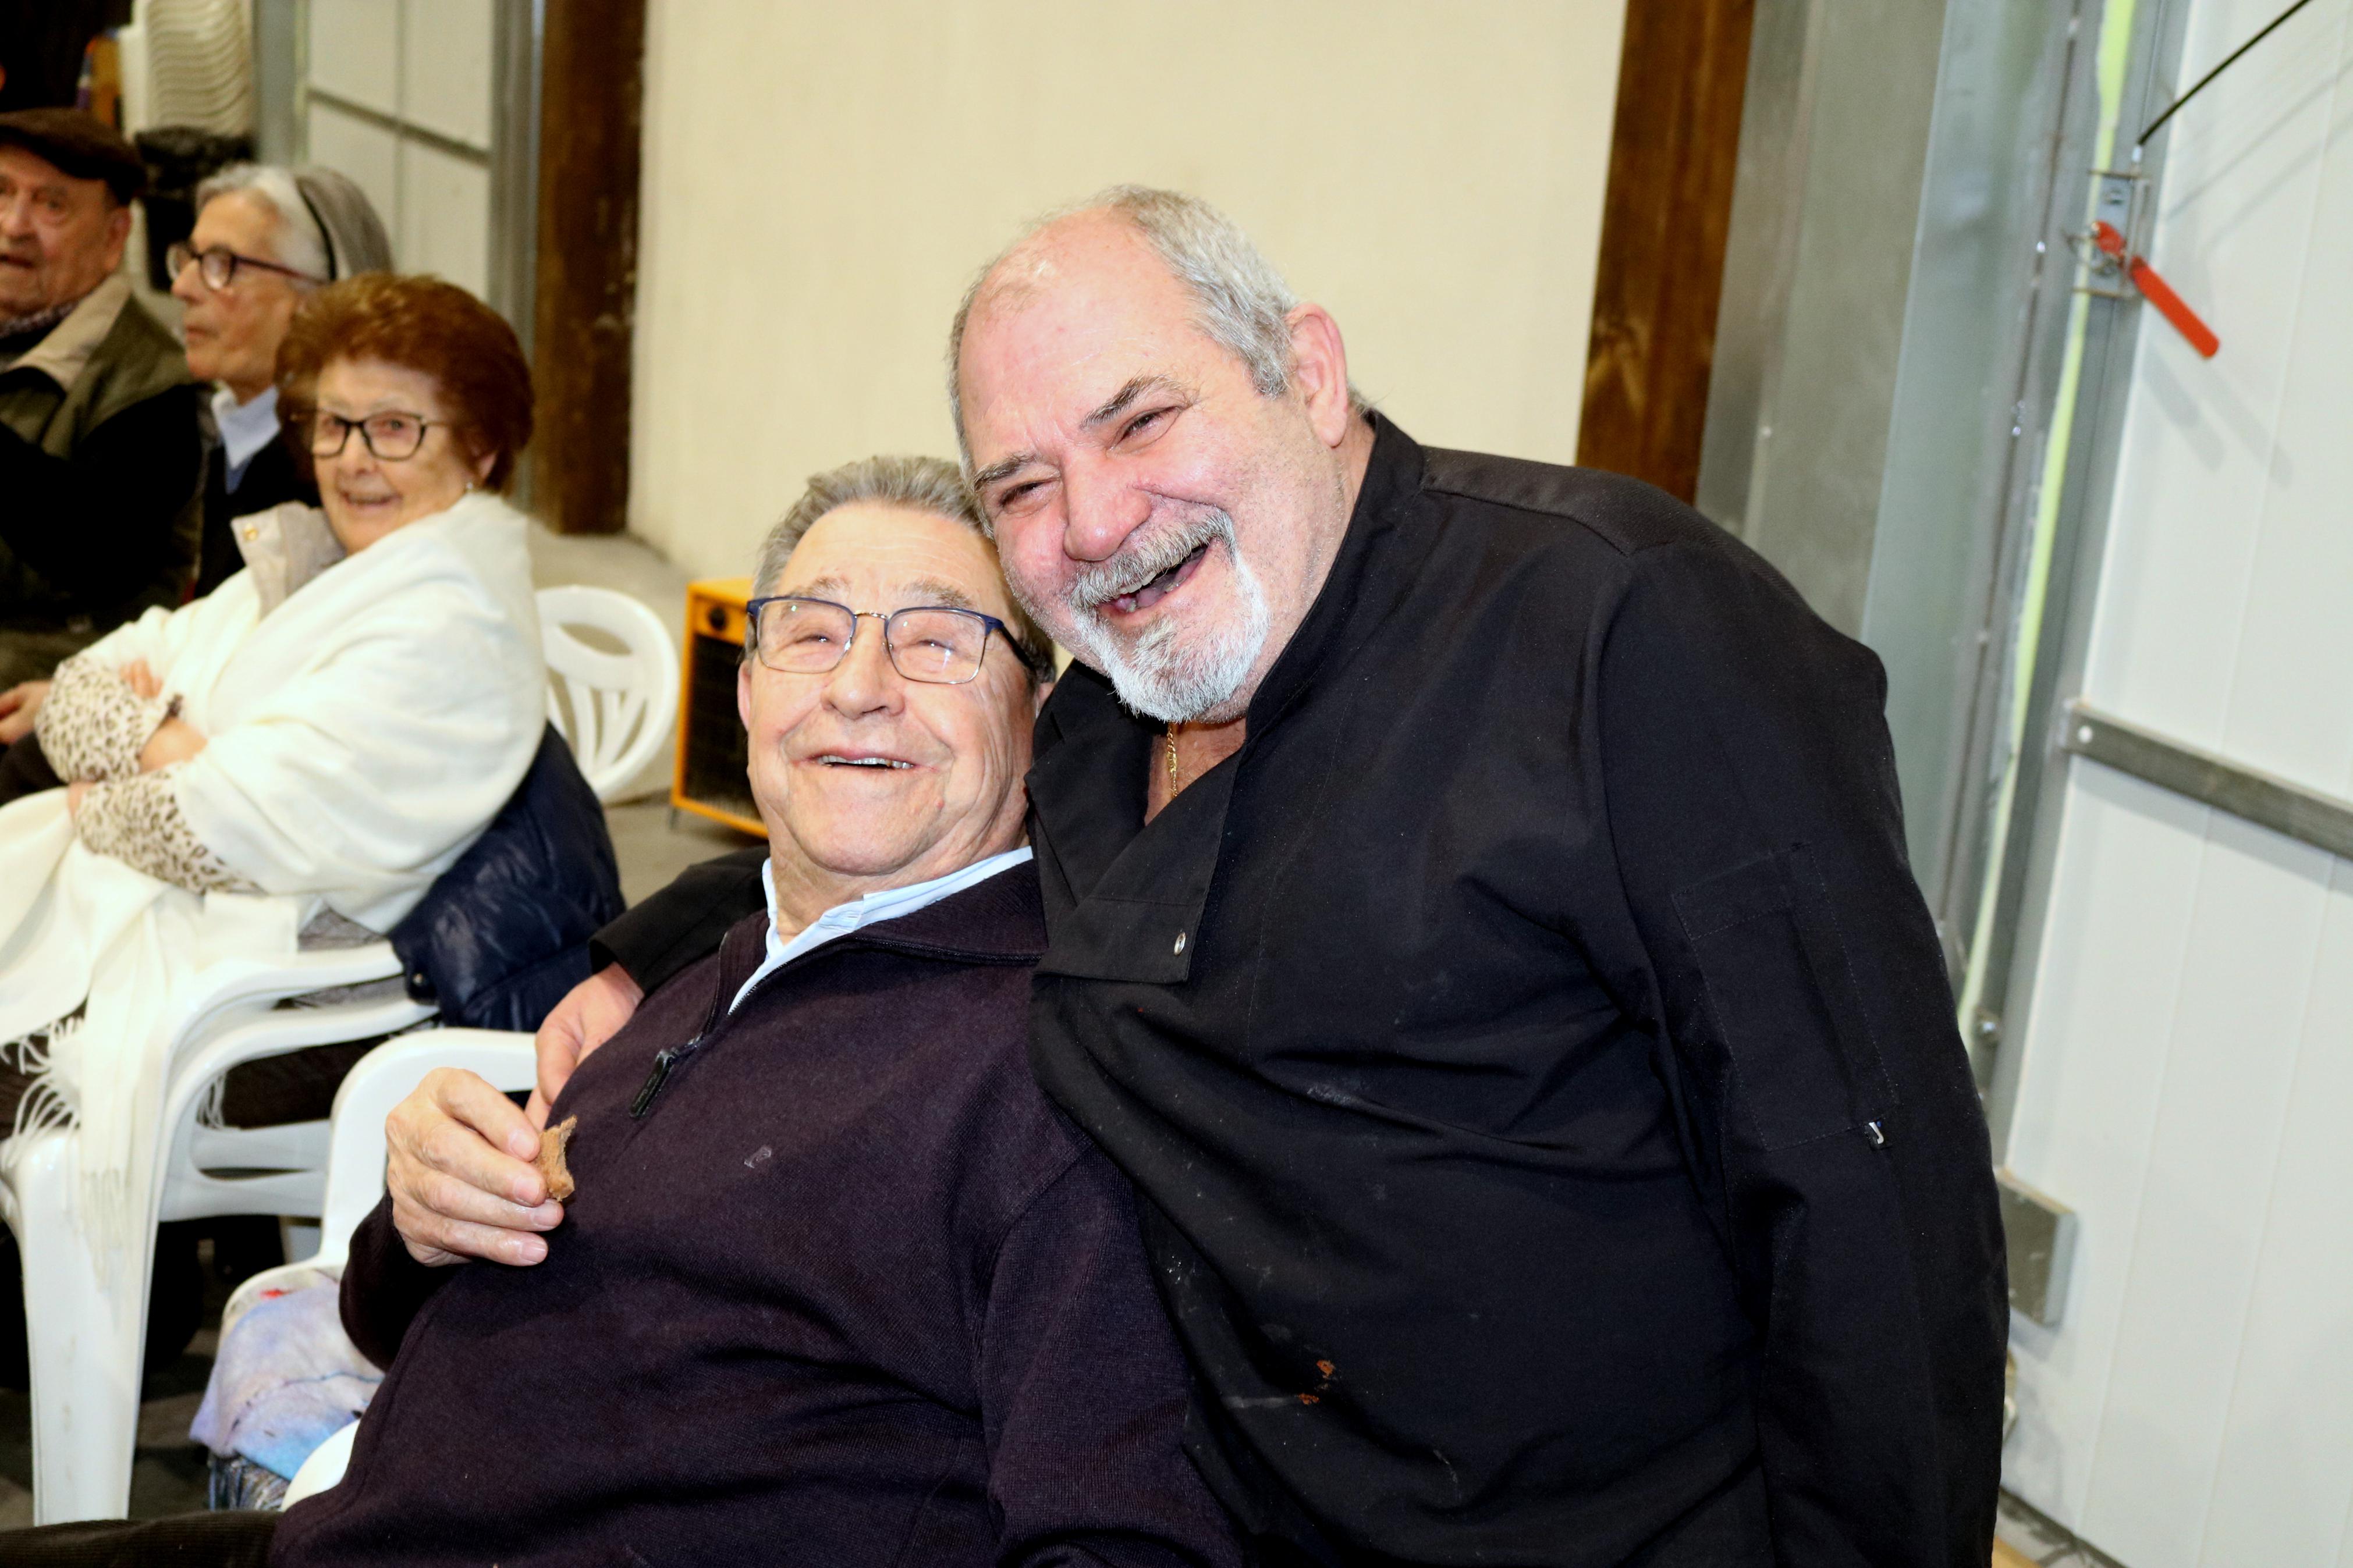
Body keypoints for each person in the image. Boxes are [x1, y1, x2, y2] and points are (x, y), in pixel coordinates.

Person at [455, 188, 2008, 1566]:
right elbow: (929, 843)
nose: (1098, 522)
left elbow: (1871, 1211)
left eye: (1141, 422)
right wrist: (641, 960)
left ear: (1308, 372)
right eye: (1021, 486)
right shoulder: (1101, 709)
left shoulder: (1626, 636)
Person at [0, 458, 1244, 1568]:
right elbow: (385, 1314)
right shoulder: (702, 974)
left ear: (1037, 716)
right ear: (747, 693)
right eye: (808, 634)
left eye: (937, 641)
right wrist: (420, 1217)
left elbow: (1121, 1525)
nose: (858, 687)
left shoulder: (1046, 1080)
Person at [0, 273, 545, 1400]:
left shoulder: (450, 618)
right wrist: (170, 733)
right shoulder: (325, 562)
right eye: (333, 422)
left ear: (482, 449)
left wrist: (133, 760)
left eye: (397, 426)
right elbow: (87, 685)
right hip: (196, 924)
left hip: (295, 992)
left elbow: (220, 823)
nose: (353, 457)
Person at [0, 108, 207, 689]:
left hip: (67, 679)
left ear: (115, 237)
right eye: (2, 192)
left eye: (51, 206)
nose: (14, 225)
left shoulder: (153, 383)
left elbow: (94, 554)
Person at [175, 163, 393, 597]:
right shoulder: (237, 425)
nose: (183, 286)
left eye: (223, 265)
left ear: (313, 301)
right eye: (191, 259)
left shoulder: (334, 469)